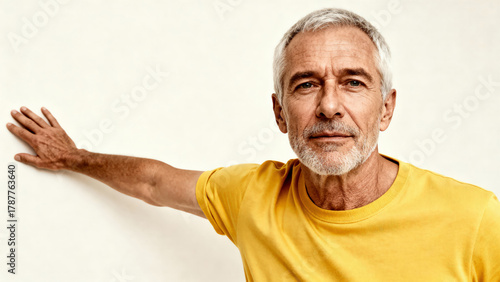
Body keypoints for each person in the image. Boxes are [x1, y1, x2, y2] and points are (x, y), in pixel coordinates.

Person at [7, 7, 500, 281]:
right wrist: (73, 156)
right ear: (280, 112)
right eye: (306, 84)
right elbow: (153, 182)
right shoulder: (253, 196)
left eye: (353, 82)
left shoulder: (474, 218)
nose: (329, 106)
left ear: (387, 108)